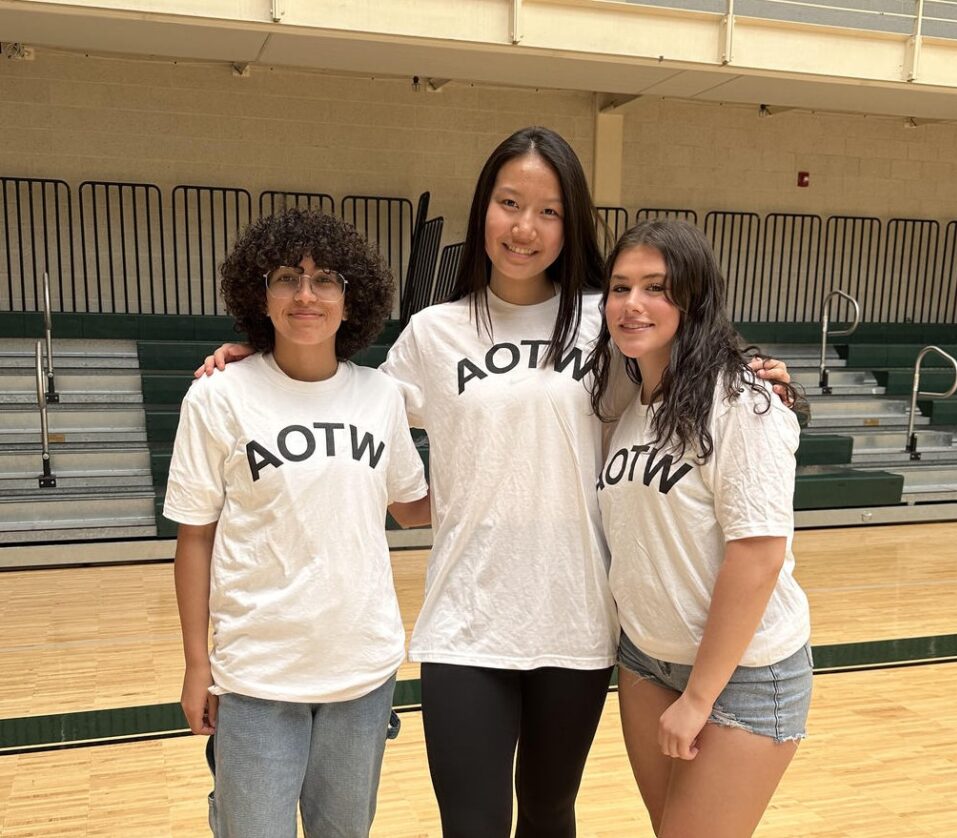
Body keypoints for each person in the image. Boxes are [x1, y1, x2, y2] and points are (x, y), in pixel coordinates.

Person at [196, 127, 793, 836]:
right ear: (484, 210)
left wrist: (755, 370)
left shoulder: (605, 322)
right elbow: (345, 401)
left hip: (577, 620)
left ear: (570, 227)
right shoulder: (433, 333)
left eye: (548, 211)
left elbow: (683, 358)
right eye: (510, 202)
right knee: (472, 824)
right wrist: (261, 358)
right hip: (465, 625)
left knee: (548, 813)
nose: (525, 226)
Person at [166, 208, 429, 838]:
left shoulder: (380, 395)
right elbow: (194, 538)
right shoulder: (218, 394)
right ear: (262, 295)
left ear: (351, 297)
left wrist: (502, 472)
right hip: (258, 674)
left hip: (362, 671)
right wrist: (196, 663)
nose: (306, 295)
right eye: (288, 277)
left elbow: (412, 506)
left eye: (326, 279)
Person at [589, 219, 812, 838]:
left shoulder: (744, 400)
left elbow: (758, 557)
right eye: (620, 287)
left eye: (656, 287)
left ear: (694, 298)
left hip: (739, 676)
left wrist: (698, 699)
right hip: (646, 662)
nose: (632, 304)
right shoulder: (633, 407)